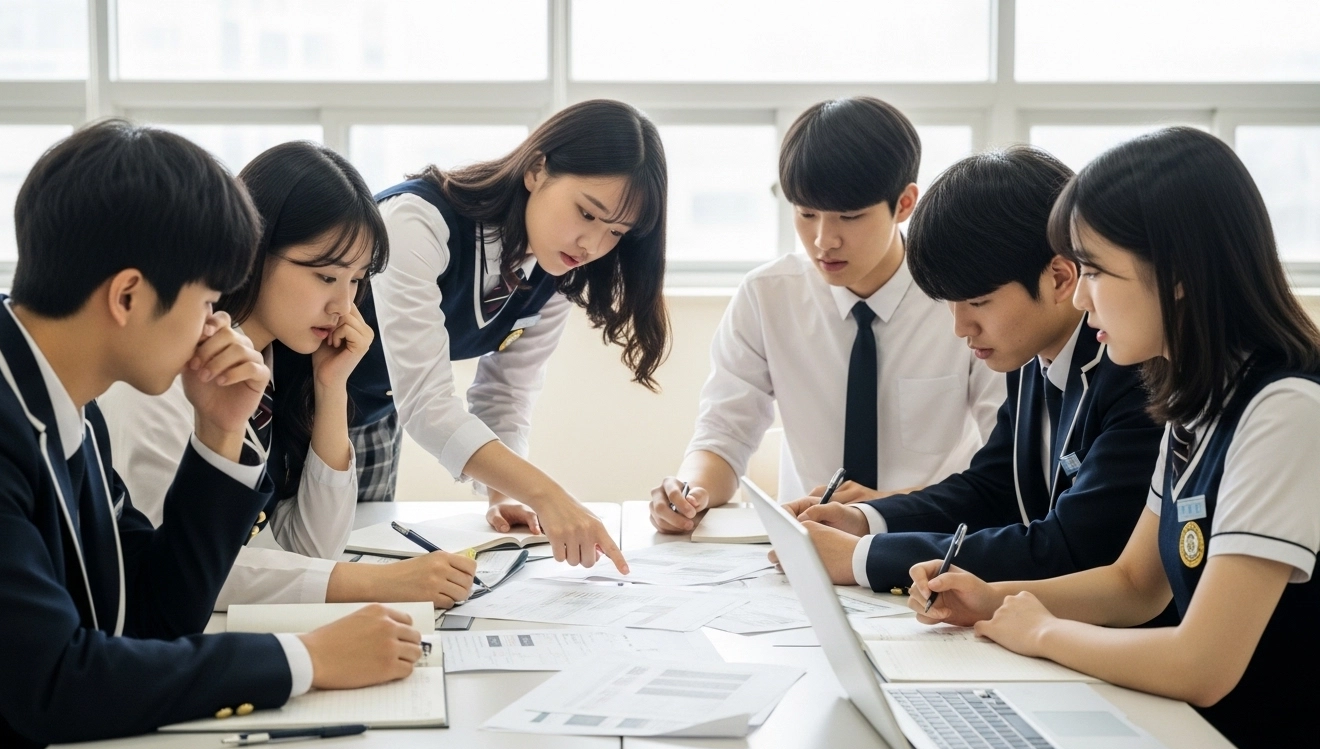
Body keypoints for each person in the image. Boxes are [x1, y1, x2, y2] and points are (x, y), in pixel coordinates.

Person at [0, 121, 424, 749]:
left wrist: (218, 432)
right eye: (207, 300)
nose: (215, 324)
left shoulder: (66, 406)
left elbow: (155, 612)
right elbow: (56, 682)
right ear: (128, 295)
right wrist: (306, 658)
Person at [907, 127, 1320, 749]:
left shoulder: (1285, 410)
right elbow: (1133, 584)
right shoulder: (1195, 394)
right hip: (1195, 736)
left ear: (1176, 276)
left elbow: (1203, 664)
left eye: (1096, 271)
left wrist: (1043, 632)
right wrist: (992, 598)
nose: (1078, 295)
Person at [99, 141, 477, 609]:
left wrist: (331, 388)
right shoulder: (164, 374)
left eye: (357, 280)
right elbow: (178, 566)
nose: (344, 305)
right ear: (254, 249)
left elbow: (313, 549)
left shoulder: (280, 366)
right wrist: (377, 583)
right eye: (326, 276)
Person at [780, 146, 1161, 593]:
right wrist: (865, 520)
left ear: (1060, 278)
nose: (961, 327)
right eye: (950, 303)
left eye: (978, 302)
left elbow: (1073, 547)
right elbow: (993, 489)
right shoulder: (1031, 353)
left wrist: (863, 558)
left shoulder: (1135, 375)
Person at [330, 99, 671, 573]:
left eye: (616, 232)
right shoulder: (416, 222)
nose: (593, 245)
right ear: (536, 169)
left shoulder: (556, 272)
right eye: (587, 214)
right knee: (273, 571)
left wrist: (503, 492)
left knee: (347, 567)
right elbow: (426, 404)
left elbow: (504, 394)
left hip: (369, 421)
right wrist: (549, 496)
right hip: (279, 400)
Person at [649, 97, 1003, 532]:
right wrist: (689, 493)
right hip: (805, 542)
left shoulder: (964, 300)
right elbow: (724, 435)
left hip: (931, 539)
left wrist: (885, 509)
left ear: (905, 203)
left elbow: (1005, 465)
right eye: (806, 214)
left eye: (849, 217)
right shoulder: (767, 297)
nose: (823, 240)